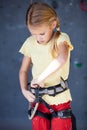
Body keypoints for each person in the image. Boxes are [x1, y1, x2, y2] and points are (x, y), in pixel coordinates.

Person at [19, 2, 74, 130]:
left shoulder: (61, 39)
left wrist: (40, 78)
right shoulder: (30, 43)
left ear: (53, 24)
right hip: (39, 101)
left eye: (42, 33)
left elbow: (61, 58)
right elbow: (23, 70)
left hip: (60, 99)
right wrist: (24, 90)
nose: (38, 38)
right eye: (33, 33)